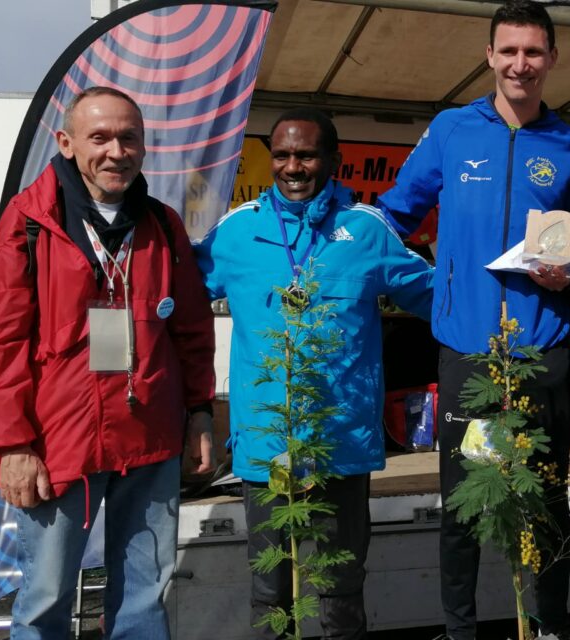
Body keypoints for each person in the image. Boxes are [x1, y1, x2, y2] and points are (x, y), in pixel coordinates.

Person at [0, 86, 216, 639]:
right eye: (99, 137)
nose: (116, 152)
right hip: (58, 442)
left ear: (144, 146)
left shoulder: (162, 224)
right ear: (67, 143)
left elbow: (192, 329)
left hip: (149, 435)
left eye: (129, 138)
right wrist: (12, 444)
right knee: (45, 598)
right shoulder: (30, 219)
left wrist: (199, 411)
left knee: (144, 598)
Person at [376, 1, 570, 637]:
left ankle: (547, 627)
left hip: (543, 350)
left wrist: (568, 273)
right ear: (489, 55)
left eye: (533, 51)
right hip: (467, 351)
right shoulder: (452, 130)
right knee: (465, 506)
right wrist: (414, 285)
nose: (521, 63)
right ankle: (460, 631)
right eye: (509, 50)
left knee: (545, 500)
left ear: (552, 58)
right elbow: (394, 216)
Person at [194, 108, 433, 640]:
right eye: (282, 155)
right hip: (267, 443)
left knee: (340, 587)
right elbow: (175, 297)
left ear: (333, 160)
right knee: (270, 590)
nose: (292, 167)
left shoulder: (366, 229)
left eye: (306, 155)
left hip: (340, 442)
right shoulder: (238, 231)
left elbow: (436, 297)